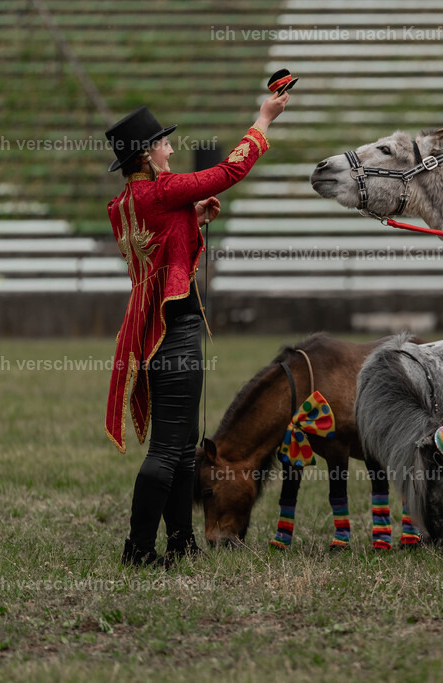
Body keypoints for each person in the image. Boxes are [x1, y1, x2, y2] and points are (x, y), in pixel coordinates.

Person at [104, 88, 290, 567]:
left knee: (185, 446)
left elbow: (160, 242)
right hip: (176, 328)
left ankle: (181, 541)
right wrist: (264, 117)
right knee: (170, 450)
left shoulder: (126, 202)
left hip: (151, 329)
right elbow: (230, 170)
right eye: (163, 143)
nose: (170, 147)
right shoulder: (162, 190)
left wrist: (193, 216)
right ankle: (139, 550)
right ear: (147, 154)